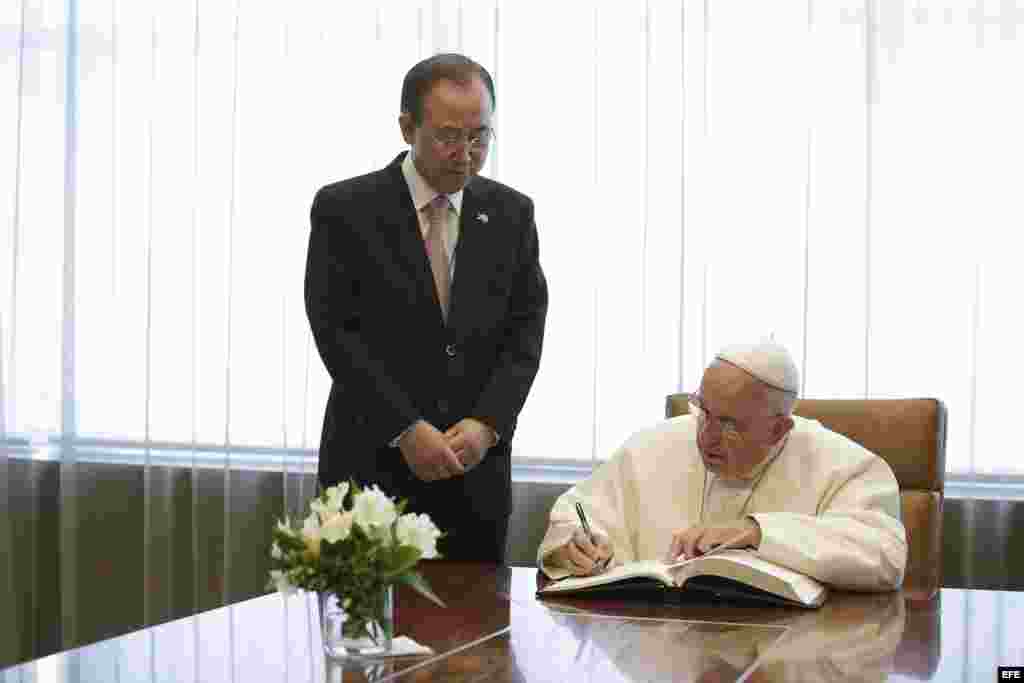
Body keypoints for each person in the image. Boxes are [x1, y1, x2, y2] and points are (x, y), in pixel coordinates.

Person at [305, 53, 548, 563]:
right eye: (448, 136)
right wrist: (405, 427)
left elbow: (525, 335)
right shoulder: (345, 210)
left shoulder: (511, 214)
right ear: (406, 127)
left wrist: (488, 422)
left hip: (473, 478)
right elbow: (337, 334)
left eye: (480, 136)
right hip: (371, 469)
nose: (467, 153)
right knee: (365, 635)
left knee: (478, 637)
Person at [537, 340, 907, 591]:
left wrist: (757, 533)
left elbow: (884, 554)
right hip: (664, 643)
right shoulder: (654, 444)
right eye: (704, 412)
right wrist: (575, 546)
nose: (707, 437)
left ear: (779, 428)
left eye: (730, 424)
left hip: (785, 656)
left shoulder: (844, 465)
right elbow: (579, 511)